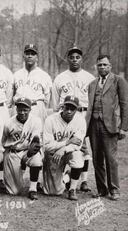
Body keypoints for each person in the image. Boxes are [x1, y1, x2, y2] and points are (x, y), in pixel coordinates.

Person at [52, 46, 95, 192]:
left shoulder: (89, 78)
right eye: (72, 57)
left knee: (83, 148)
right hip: (66, 113)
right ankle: (67, 176)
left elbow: (93, 100)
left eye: (77, 57)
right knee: (67, 145)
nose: (74, 59)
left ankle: (84, 180)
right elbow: (55, 101)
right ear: (67, 59)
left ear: (81, 59)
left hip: (83, 113)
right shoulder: (60, 78)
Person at [86, 55, 128, 201]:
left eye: (105, 65)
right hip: (93, 124)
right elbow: (90, 107)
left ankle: (114, 189)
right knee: (97, 159)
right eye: (100, 65)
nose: (102, 67)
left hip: (110, 125)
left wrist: (124, 127)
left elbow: (124, 104)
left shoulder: (118, 81)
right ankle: (102, 189)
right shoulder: (92, 84)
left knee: (111, 159)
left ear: (110, 66)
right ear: (96, 67)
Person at [43, 96, 86, 200]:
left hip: (68, 152)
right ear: (62, 107)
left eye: (73, 109)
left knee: (78, 158)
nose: (69, 111)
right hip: (53, 153)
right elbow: (47, 146)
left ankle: (72, 189)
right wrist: (67, 142)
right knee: (53, 192)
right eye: (67, 108)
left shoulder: (80, 120)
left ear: (77, 109)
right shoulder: (51, 120)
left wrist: (63, 149)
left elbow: (77, 144)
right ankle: (67, 177)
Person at [1, 98, 43, 200]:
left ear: (30, 109)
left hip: (29, 151)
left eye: (25, 109)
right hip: (14, 152)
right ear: (16, 109)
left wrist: (27, 155)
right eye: (20, 109)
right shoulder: (8, 123)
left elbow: (36, 143)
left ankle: (33, 189)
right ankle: (11, 177)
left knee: (37, 161)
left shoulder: (36, 121)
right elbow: (3, 142)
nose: (22, 112)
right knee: (14, 192)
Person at [13, 44, 52, 123]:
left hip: (36, 108)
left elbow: (47, 99)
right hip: (19, 109)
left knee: (37, 134)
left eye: (32, 54)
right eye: (27, 54)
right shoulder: (16, 75)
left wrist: (40, 107)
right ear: (23, 56)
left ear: (37, 57)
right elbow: (12, 95)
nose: (30, 56)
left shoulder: (44, 76)